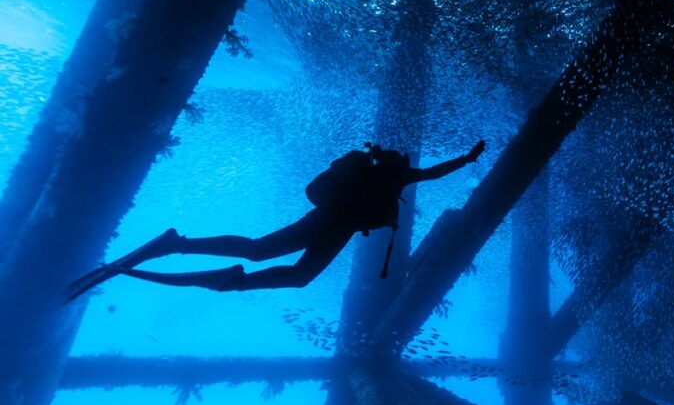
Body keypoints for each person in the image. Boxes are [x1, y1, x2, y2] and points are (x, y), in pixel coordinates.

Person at [65, 140, 485, 302]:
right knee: (266, 254)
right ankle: (199, 257)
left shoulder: (382, 172)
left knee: (263, 252)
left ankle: (196, 254)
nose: (407, 165)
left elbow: (431, 174)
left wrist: (466, 159)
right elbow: (432, 174)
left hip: (328, 224)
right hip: (329, 224)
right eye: (404, 162)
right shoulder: (393, 176)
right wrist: (465, 159)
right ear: (398, 163)